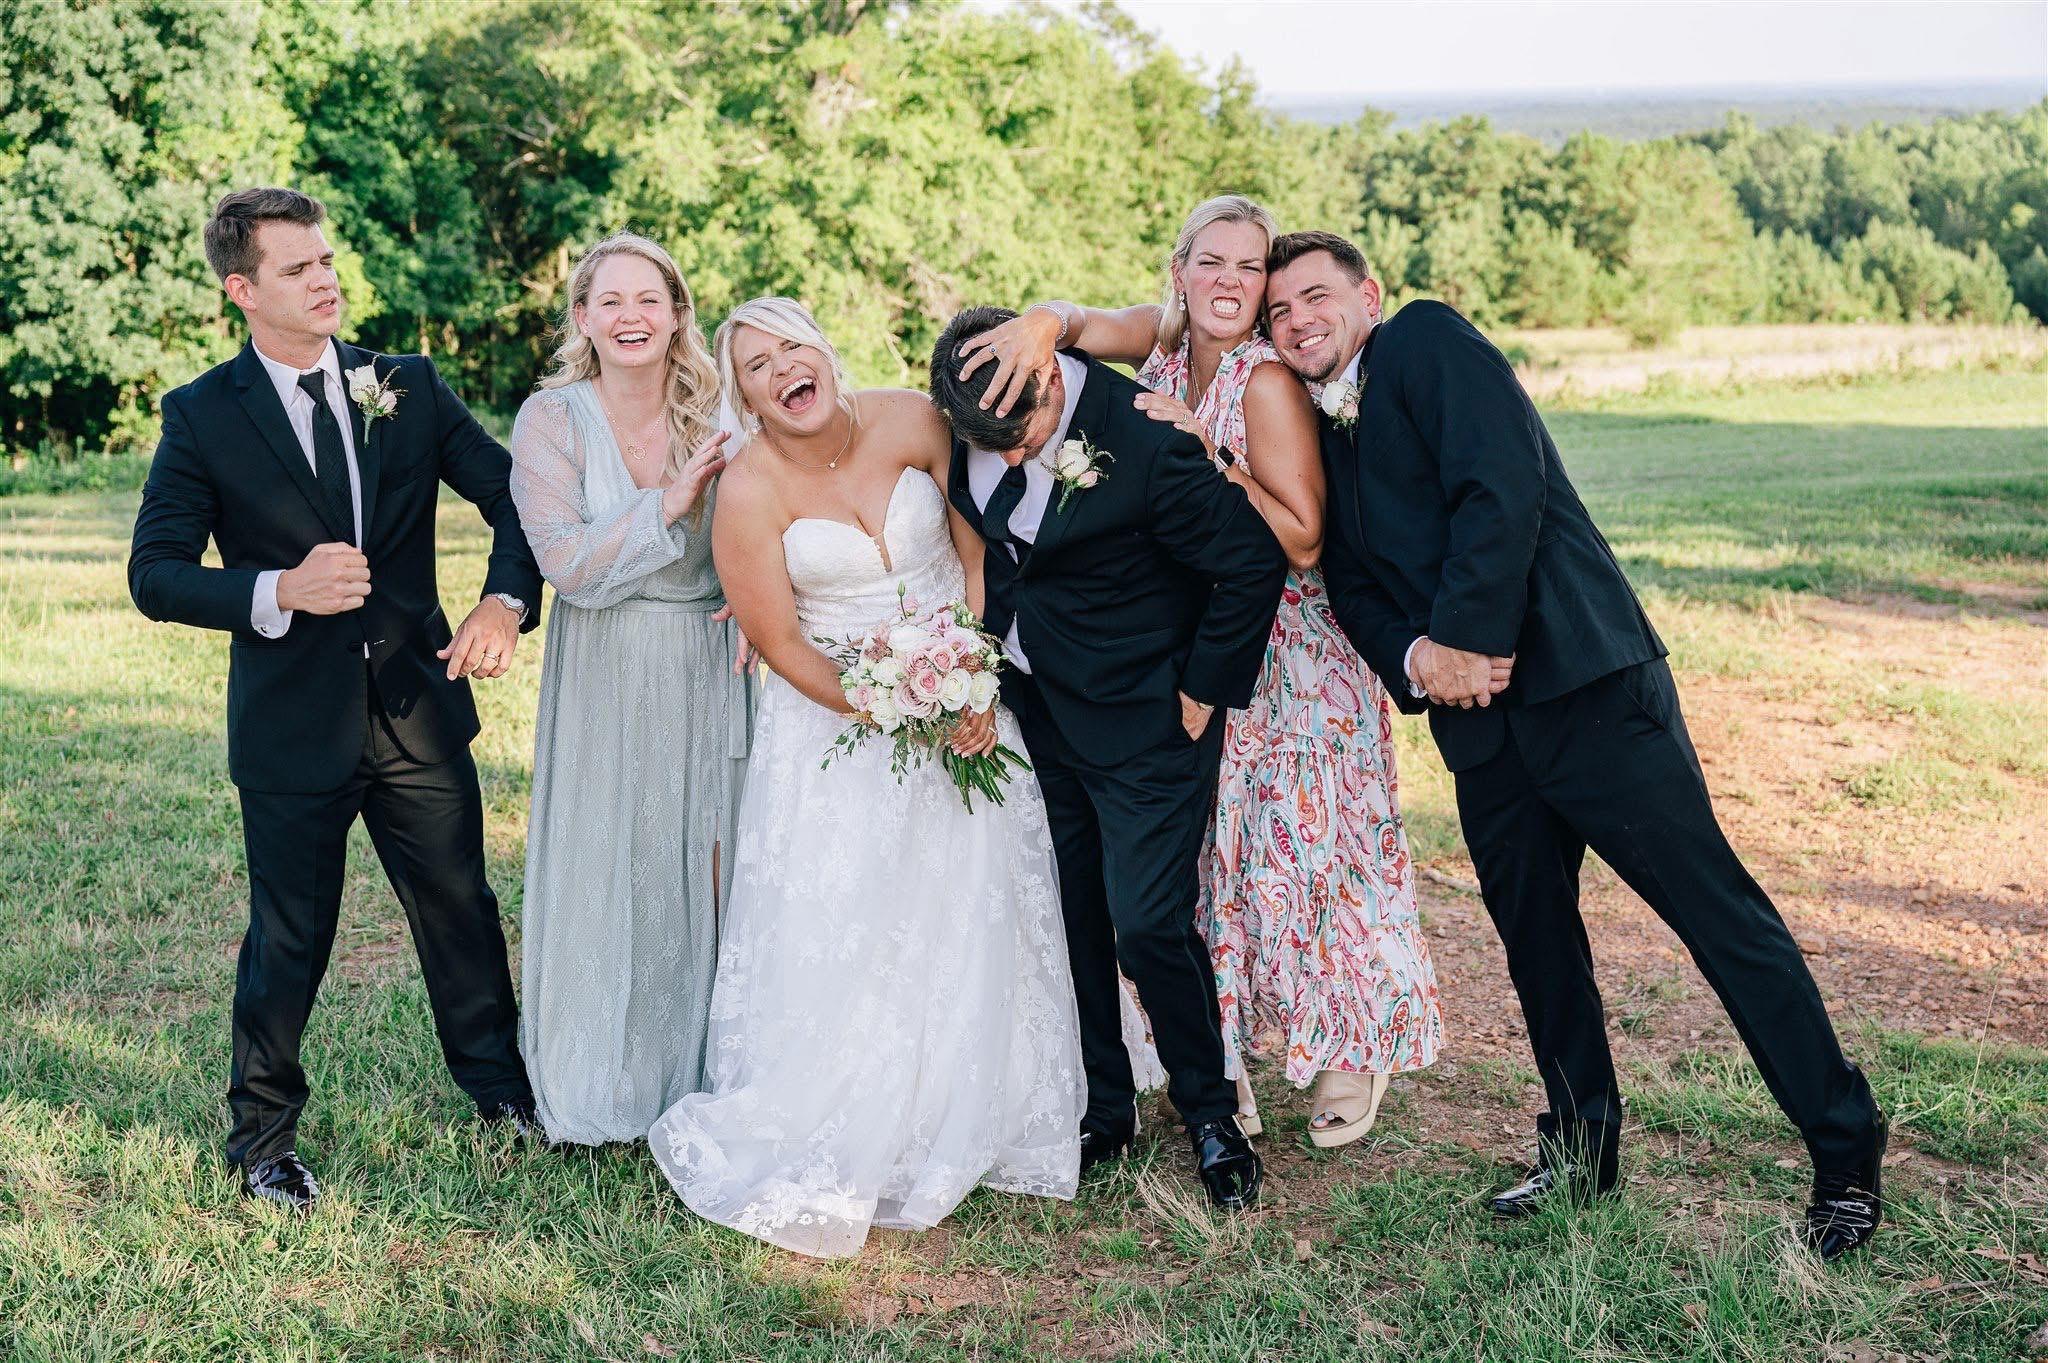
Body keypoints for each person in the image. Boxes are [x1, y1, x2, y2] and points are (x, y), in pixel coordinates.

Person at [1262, 229, 1887, 1259]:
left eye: (1315, 297)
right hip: (1479, 730)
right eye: (1280, 312)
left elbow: (1501, 487)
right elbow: (1348, 583)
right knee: (1539, 947)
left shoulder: (1424, 341)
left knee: (1718, 918)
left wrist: (1465, 639)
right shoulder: (1317, 434)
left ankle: (1845, 1146)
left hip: (1586, 689)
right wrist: (1419, 659)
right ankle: (1581, 1147)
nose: (1298, 322)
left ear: (1367, 296)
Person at [957, 196, 1443, 1149]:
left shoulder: (1263, 381)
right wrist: (1042, 323)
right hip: (1204, 636)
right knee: (1232, 859)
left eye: (1250, 267)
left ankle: (1354, 1043)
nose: (1231, 281)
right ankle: (1223, 1051)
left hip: (1294, 649)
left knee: (1322, 851)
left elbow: (1303, 538)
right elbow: (1083, 327)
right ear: (1179, 270)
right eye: (1211, 262)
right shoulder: (1169, 343)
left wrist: (1205, 450)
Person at [127, 188, 543, 1211]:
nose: (325, 280)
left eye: (325, 260)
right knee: (289, 937)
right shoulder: (201, 414)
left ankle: (505, 1099)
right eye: (297, 268)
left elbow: (519, 496)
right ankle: (263, 1142)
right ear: (242, 290)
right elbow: (156, 572)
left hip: (416, 705)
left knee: (462, 912)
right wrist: (278, 590)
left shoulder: (404, 384)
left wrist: (503, 600)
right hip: (290, 725)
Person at [648, 298, 1084, 1258]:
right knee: (859, 915)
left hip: (968, 693)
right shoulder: (748, 490)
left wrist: (974, 673)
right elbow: (779, 641)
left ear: (824, 350)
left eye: (792, 347)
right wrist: (892, 702)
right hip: (837, 725)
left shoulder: (913, 418)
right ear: (744, 396)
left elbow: (974, 550)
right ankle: (865, 1108)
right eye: (757, 366)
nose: (782, 370)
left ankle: (984, 1098)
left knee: (975, 897)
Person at [929, 304, 1288, 1210]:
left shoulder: (1145, 441)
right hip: (1040, 715)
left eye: (1027, 437)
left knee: (1147, 923)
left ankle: (1211, 1113)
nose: (1013, 457)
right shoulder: (973, 423)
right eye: (993, 446)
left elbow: (1252, 561)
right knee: (1075, 914)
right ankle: (1105, 1105)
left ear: (1051, 376)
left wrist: (1205, 685)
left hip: (1148, 723)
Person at [510, 233, 753, 1144]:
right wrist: (668, 503)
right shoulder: (550, 420)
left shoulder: (723, 412)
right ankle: (604, 1076)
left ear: (678, 312)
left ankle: (709, 1069)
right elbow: (566, 563)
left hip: (708, 659)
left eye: (648, 299)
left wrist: (761, 606)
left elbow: (770, 521)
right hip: (606, 663)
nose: (630, 317)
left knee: (710, 857)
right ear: (582, 318)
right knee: (612, 855)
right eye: (609, 301)